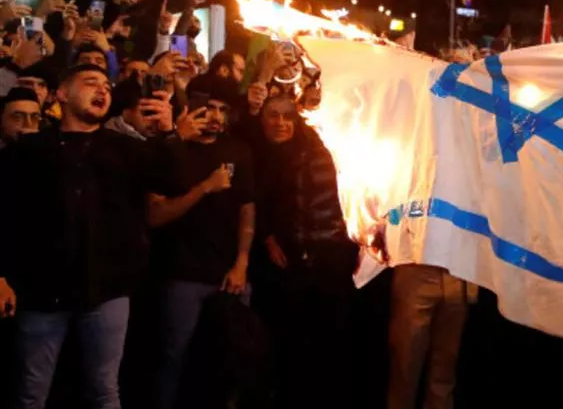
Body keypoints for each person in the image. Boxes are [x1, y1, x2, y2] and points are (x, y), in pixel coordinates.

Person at [0, 64, 187, 409]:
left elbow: (173, 183)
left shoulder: (126, 149)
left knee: (103, 391)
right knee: (31, 393)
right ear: (61, 94)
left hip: (107, 290)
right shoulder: (30, 151)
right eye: (90, 83)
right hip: (43, 291)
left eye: (106, 85)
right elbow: (6, 216)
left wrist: (167, 133)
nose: (102, 90)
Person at [150, 75, 255, 409]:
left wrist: (242, 262)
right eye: (208, 108)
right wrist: (204, 188)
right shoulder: (173, 150)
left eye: (223, 110)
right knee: (173, 358)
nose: (214, 116)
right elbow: (155, 216)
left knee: (236, 355)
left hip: (229, 273)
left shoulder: (238, 150)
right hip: (183, 273)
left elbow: (247, 209)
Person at [249, 93, 357, 408]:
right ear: (263, 119)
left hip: (331, 259)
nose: (281, 123)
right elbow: (253, 203)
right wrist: (268, 238)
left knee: (332, 341)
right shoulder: (258, 155)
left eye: (288, 115)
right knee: (291, 343)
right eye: (274, 115)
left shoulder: (329, 148)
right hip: (286, 264)